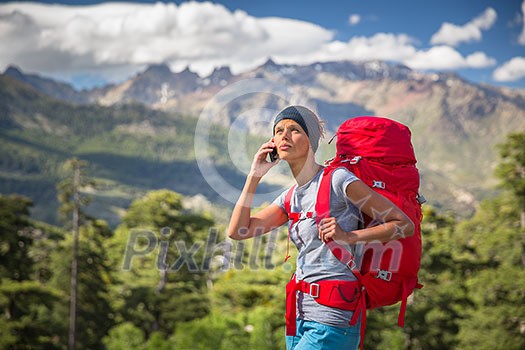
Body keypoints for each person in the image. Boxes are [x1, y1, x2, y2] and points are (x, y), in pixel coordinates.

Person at [227, 105, 415, 350]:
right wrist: (254, 175)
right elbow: (238, 231)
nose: (284, 136)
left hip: (334, 317)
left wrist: (349, 236)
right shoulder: (290, 197)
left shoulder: (338, 180)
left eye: (294, 130)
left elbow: (403, 225)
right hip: (298, 315)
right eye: (278, 130)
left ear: (311, 140)